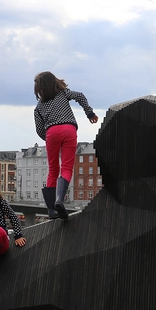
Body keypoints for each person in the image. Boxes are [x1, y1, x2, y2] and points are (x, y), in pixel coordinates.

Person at [33, 71, 98, 220]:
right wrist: (90, 113)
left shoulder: (39, 107)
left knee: (53, 169)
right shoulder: (63, 93)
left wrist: (49, 138)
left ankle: (51, 210)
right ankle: (59, 200)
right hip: (69, 129)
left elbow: (39, 129)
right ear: (54, 81)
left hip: (51, 132)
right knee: (67, 167)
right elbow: (80, 95)